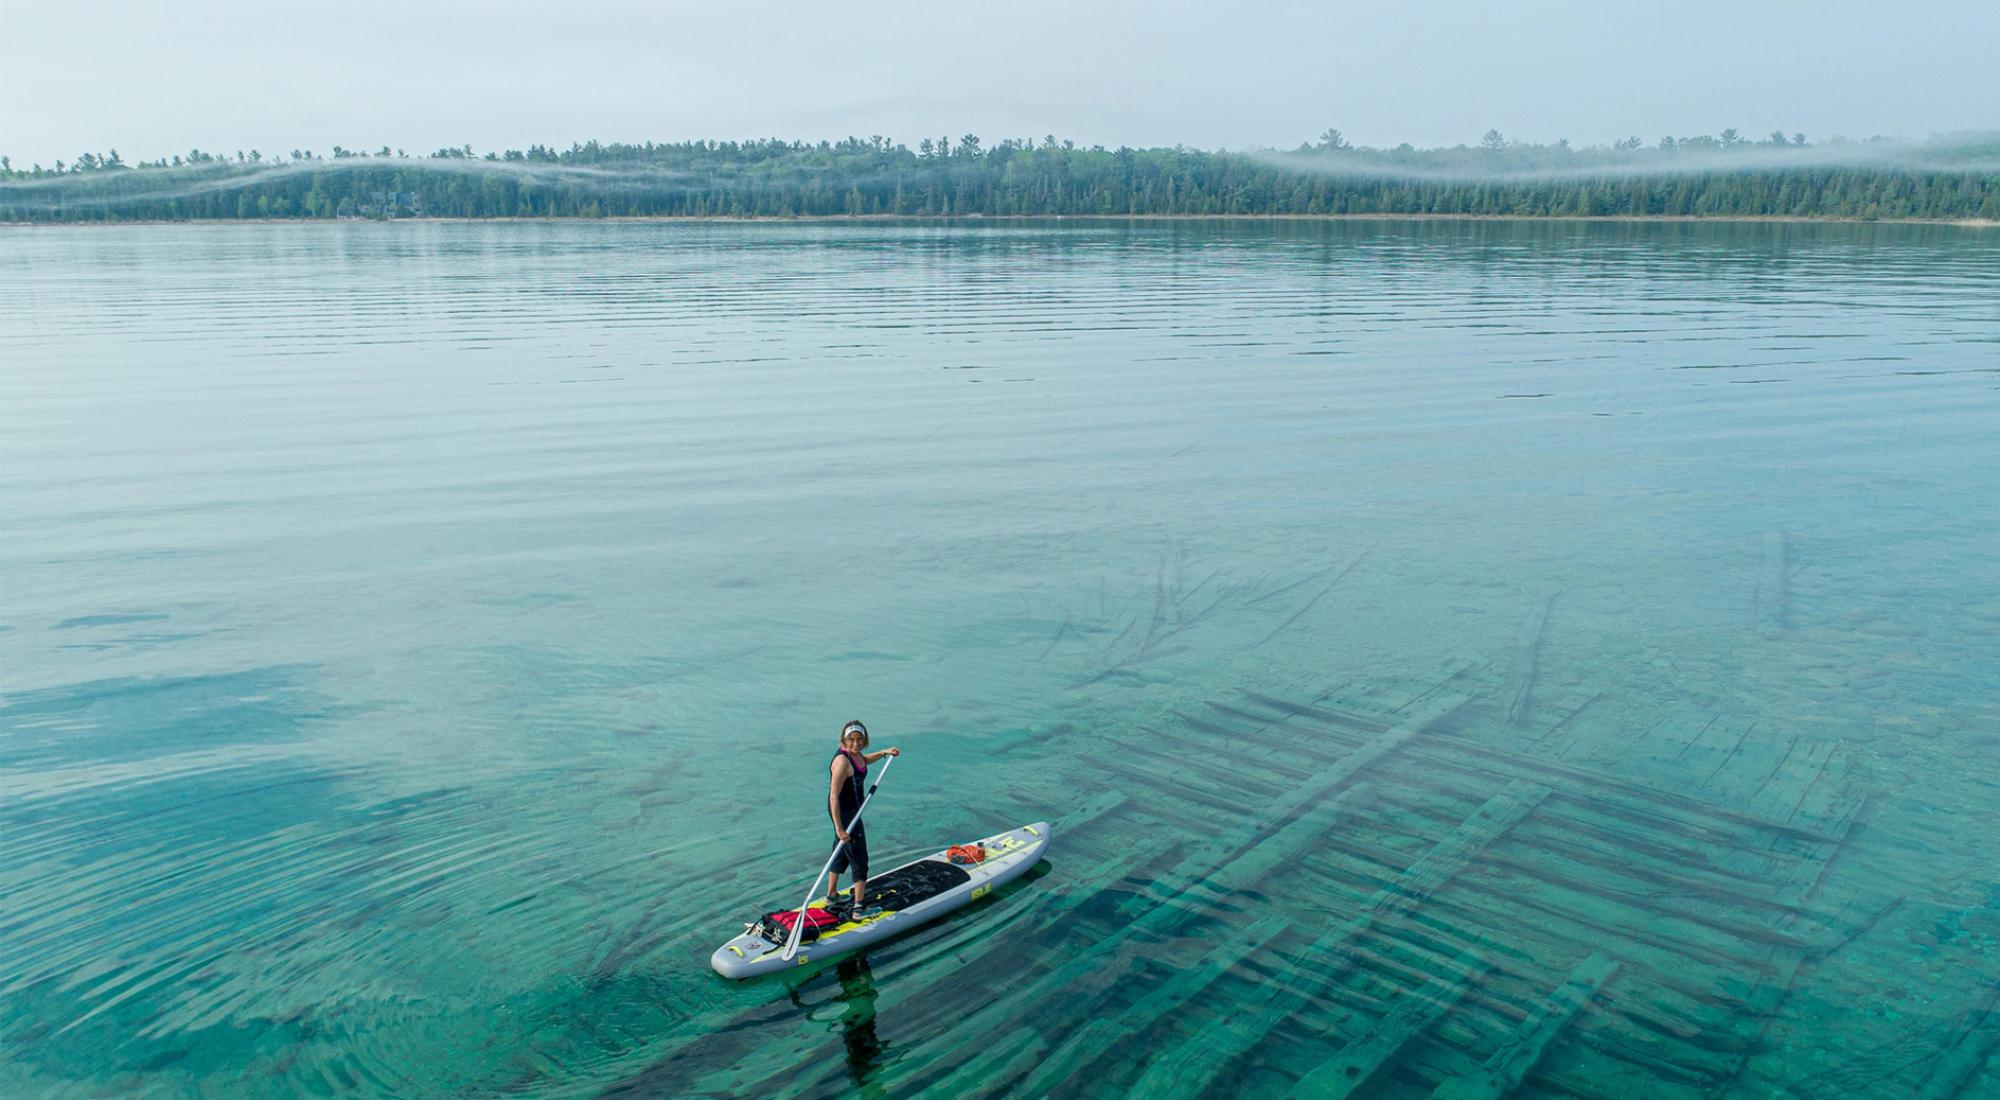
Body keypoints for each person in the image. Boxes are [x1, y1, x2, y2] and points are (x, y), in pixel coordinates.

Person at [826, 720, 900, 918]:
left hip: (851, 812)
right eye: (852, 739)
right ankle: (859, 908)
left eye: (860, 739)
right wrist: (840, 828)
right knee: (859, 857)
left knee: (841, 851)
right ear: (844, 739)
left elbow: (864, 761)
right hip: (846, 814)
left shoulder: (855, 755)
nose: (856, 743)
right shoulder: (842, 761)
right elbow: (833, 796)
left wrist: (884, 753)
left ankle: (832, 895)